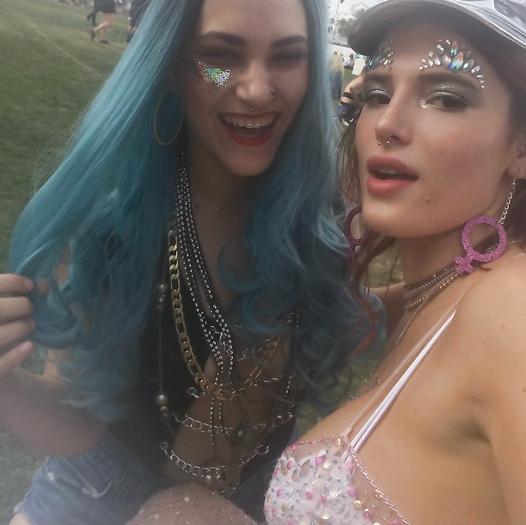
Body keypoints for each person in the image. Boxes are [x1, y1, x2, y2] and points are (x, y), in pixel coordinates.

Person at [1, 0, 370, 524]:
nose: (256, 90)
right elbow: (75, 418)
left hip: (248, 505)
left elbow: (354, 314)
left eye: (287, 57)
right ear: (172, 64)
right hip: (97, 498)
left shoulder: (319, 216)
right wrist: (7, 386)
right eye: (220, 57)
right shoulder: (105, 226)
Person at [264, 0, 526, 523]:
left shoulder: (511, 314)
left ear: (519, 148)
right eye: (378, 93)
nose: (388, 123)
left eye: (446, 98)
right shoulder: (435, 294)